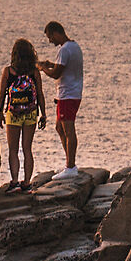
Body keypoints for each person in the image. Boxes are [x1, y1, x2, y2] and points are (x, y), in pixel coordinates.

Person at [0, 38, 46, 192]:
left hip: (13, 113)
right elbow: (40, 94)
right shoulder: (34, 72)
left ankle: (14, 181)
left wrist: (0, 112)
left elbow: (2, 94)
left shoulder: (8, 71)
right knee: (27, 149)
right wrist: (43, 114)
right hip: (30, 113)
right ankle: (27, 182)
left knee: (13, 149)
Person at [38, 20, 83, 172]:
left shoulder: (64, 50)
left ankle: (70, 167)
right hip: (70, 94)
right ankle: (69, 163)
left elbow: (56, 73)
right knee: (59, 127)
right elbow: (63, 67)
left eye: (50, 37)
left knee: (68, 129)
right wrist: (50, 64)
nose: (50, 41)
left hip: (68, 95)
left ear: (56, 33)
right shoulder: (74, 46)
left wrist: (44, 68)